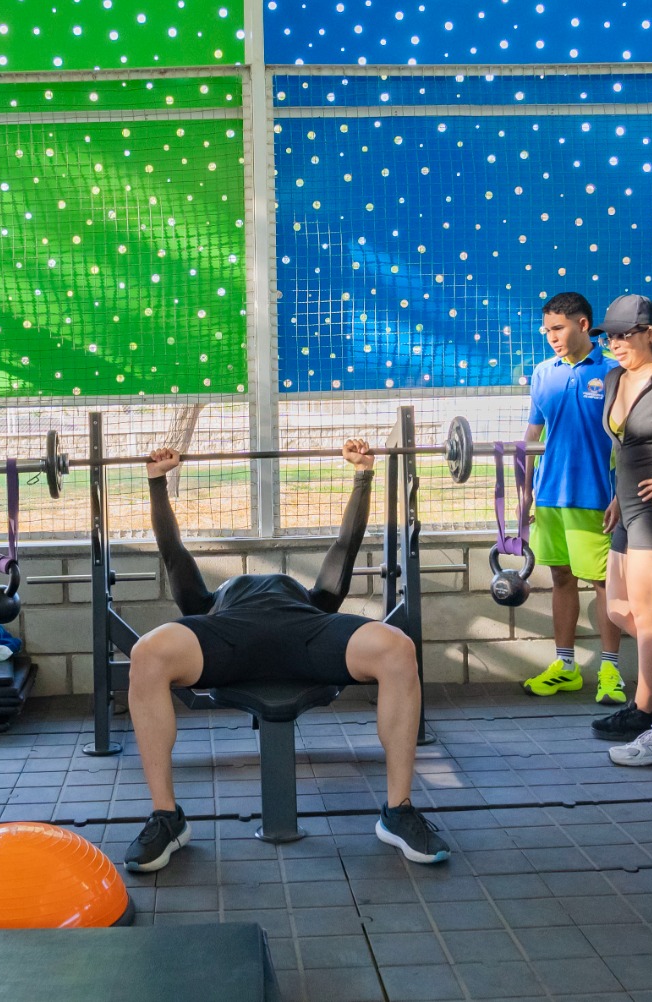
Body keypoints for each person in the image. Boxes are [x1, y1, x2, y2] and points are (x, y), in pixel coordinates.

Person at [122, 441, 448, 872]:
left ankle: (398, 812)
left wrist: (364, 475)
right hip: (228, 636)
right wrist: (157, 482)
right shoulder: (205, 605)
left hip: (305, 631)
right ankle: (167, 819)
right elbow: (174, 554)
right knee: (146, 653)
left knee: (397, 648)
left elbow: (343, 549)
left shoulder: (318, 600)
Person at [520, 292, 624, 704]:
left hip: (598, 497)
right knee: (561, 578)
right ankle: (565, 667)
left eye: (558, 328)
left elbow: (631, 441)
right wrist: (524, 492)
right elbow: (532, 437)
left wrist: (622, 495)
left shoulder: (616, 371)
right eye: (547, 330)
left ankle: (610, 670)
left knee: (603, 583)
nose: (551, 337)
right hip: (549, 496)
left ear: (584, 325)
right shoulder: (543, 372)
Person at [589, 295, 652, 741]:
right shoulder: (612, 379)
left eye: (624, 334)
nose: (615, 342)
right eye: (609, 336)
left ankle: (645, 707)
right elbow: (621, 447)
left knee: (646, 615)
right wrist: (618, 501)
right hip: (627, 504)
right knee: (620, 609)